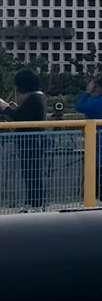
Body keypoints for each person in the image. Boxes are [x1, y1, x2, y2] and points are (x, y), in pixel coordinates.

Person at [2, 69, 48, 210]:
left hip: (31, 141)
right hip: (33, 141)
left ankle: (36, 204)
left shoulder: (34, 98)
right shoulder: (38, 97)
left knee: (32, 173)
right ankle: (33, 202)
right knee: (30, 172)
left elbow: (20, 118)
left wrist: (5, 108)